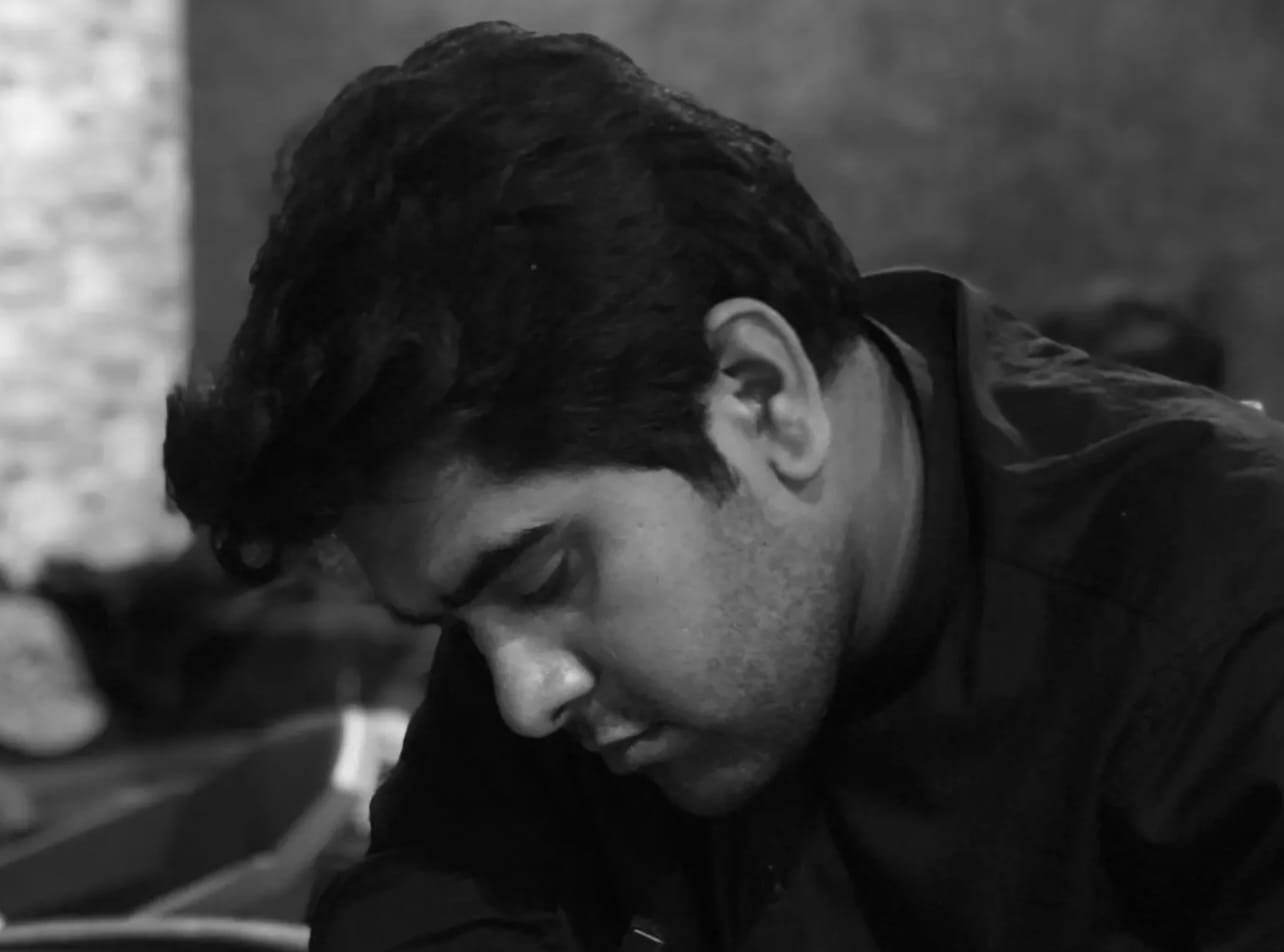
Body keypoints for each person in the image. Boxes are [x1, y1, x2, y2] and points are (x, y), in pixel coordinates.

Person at [163, 21, 1284, 952]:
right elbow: (427, 902)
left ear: (760, 395)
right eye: (463, 620)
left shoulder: (1230, 639)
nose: (525, 697)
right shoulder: (543, 622)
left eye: (546, 577)